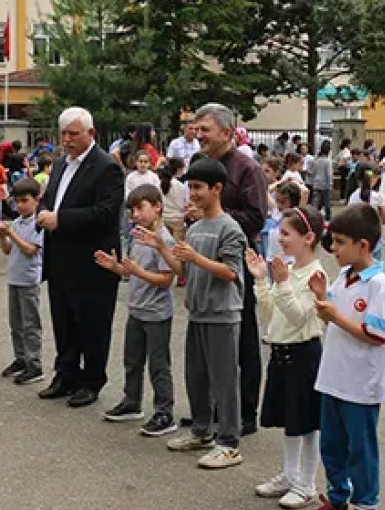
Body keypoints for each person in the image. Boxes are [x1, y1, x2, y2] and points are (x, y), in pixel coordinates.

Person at [302, 205, 385, 510]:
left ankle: (366, 509)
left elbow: (377, 334)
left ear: (363, 245)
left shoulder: (378, 284)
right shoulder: (343, 276)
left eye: (340, 242)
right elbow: (338, 316)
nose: (334, 249)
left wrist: (334, 315)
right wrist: (323, 297)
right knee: (333, 445)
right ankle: (338, 499)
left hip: (360, 383)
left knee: (361, 449)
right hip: (334, 378)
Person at [159, 158, 246, 469]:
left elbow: (231, 273)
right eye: (190, 187)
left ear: (217, 189)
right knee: (197, 376)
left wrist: (195, 257)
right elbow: (182, 269)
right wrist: (162, 247)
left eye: (198, 188)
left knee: (224, 380)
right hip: (197, 311)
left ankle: (229, 442)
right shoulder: (195, 228)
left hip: (222, 313)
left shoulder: (230, 228)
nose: (192, 194)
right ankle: (201, 430)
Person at [37, 106, 125, 408]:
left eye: (73, 134)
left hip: (92, 261)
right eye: (63, 133)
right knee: (63, 321)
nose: (67, 139)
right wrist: (43, 214)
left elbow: (105, 213)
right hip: (61, 258)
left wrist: (61, 219)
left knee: (93, 324)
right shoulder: (61, 165)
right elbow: (48, 200)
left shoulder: (106, 167)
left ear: (91, 133)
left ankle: (91, 380)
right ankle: (66, 375)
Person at [190, 103, 269, 436]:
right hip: (202, 259)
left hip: (239, 261)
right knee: (205, 342)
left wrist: (216, 217)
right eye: (195, 129)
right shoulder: (200, 164)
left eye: (205, 129)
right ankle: (209, 411)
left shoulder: (247, 169)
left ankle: (244, 413)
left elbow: (256, 217)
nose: (198, 135)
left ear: (227, 132)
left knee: (243, 339)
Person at [249, 206, 326, 510]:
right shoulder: (290, 270)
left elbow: (298, 317)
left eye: (285, 233)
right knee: (289, 420)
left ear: (308, 237)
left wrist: (280, 284)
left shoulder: (316, 274)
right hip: (281, 352)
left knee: (307, 423)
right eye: (279, 232)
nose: (279, 239)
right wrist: (260, 281)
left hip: (303, 353)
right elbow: (270, 313)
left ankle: (306, 483)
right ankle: (290, 474)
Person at [99, 184, 178, 436]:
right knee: (132, 360)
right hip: (137, 310)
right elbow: (132, 272)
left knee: (158, 365)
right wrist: (115, 267)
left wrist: (137, 272)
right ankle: (132, 401)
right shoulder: (138, 235)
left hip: (156, 313)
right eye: (132, 209)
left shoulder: (163, 240)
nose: (136, 214)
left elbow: (166, 280)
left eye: (141, 208)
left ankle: (164, 411)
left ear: (157, 207)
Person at [0, 178, 46, 383]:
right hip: (14, 278)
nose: (20, 205)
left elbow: (30, 250)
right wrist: (3, 236)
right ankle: (21, 358)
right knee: (15, 323)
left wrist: (11, 234)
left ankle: (35, 363)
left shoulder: (39, 224)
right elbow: (8, 250)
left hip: (29, 280)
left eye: (25, 201)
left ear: (36, 200)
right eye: (17, 202)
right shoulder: (16, 222)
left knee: (30, 324)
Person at [158, 158, 189, 241]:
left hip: (164, 218)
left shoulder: (159, 183)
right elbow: (184, 204)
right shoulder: (180, 186)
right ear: (178, 170)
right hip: (178, 220)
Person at [310, 142, 334, 221]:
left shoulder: (316, 160)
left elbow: (312, 172)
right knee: (327, 202)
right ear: (328, 151)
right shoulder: (328, 161)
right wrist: (330, 183)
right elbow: (329, 174)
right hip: (325, 184)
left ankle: (313, 216)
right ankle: (328, 217)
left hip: (316, 183)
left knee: (316, 202)